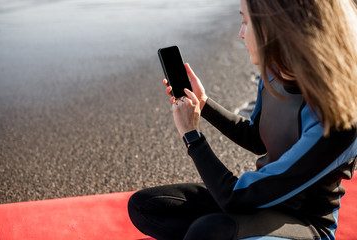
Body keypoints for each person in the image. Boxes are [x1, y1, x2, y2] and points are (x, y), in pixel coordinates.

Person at [128, 0, 357, 239]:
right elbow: (256, 137)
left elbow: (235, 199)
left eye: (246, 22)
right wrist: (204, 104)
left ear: (277, 26)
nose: (240, 33)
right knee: (147, 207)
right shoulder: (273, 73)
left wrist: (192, 137)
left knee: (208, 231)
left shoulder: (340, 119)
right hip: (262, 203)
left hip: (305, 225)